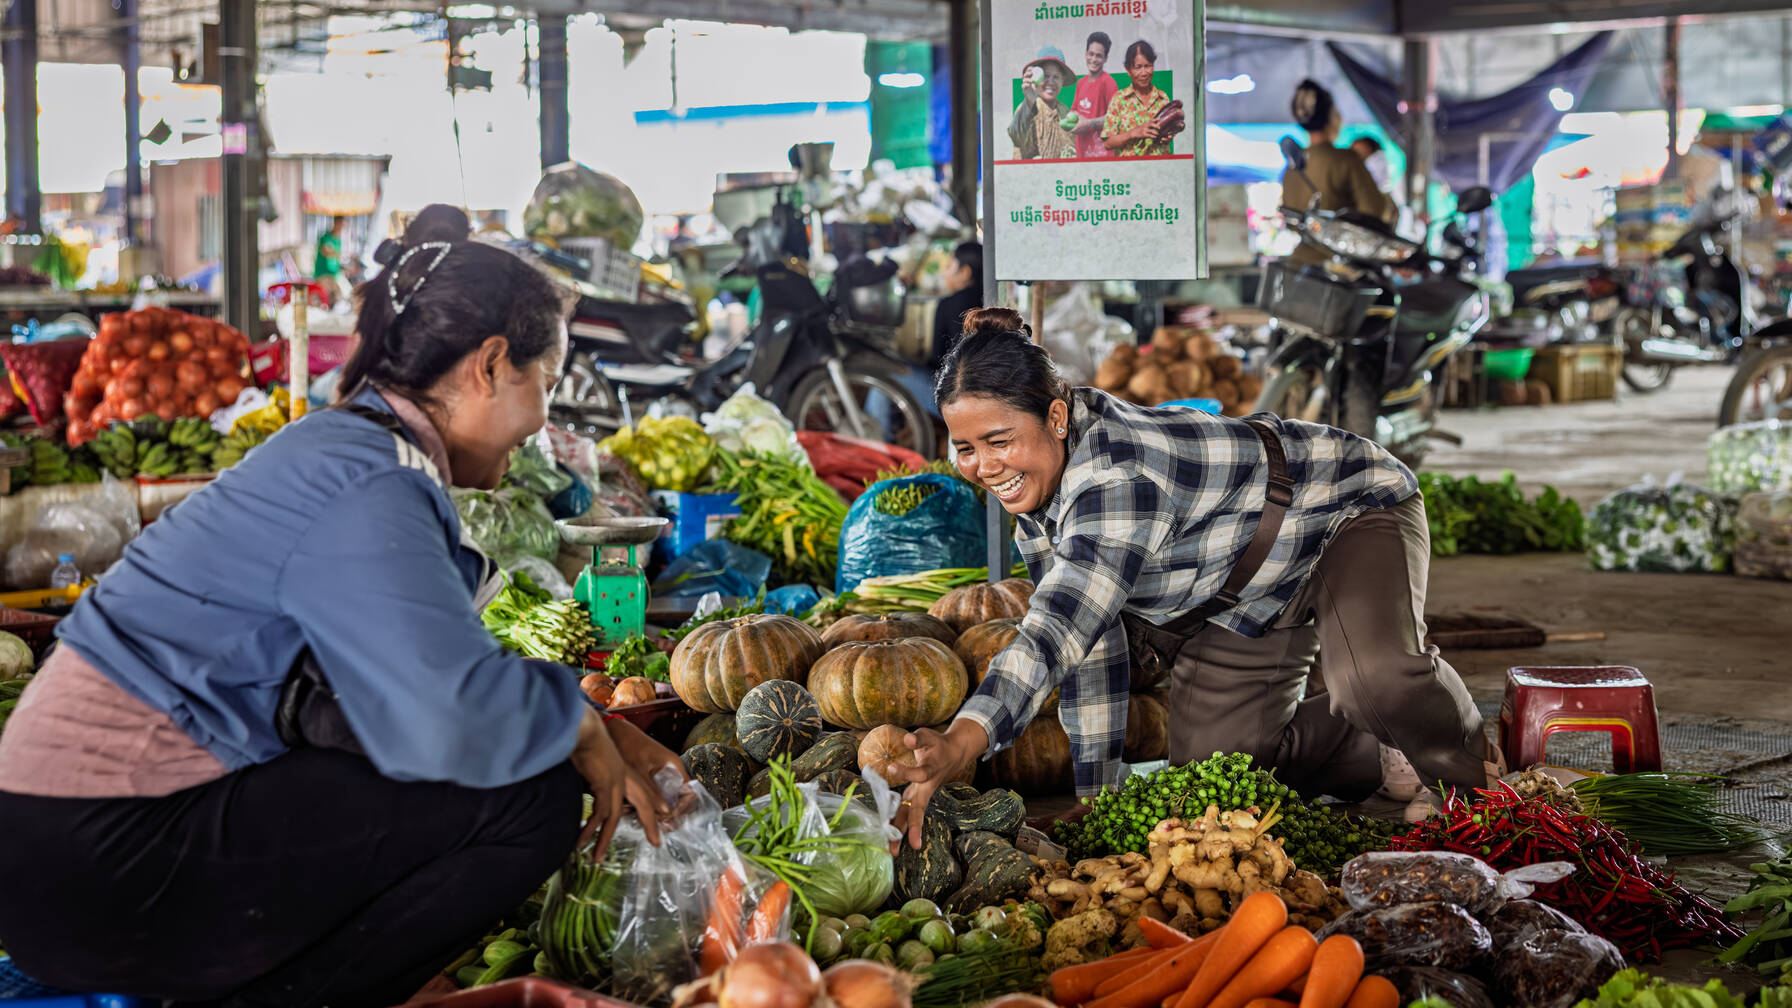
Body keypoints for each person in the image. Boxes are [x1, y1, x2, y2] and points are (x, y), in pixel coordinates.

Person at [0, 221, 684, 1006]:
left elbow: (364, 703)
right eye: (547, 382)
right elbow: (442, 717)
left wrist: (573, 718)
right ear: (492, 365)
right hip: (100, 859)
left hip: (64, 852)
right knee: (529, 798)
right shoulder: (370, 480)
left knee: (512, 761)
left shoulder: (342, 450)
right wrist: (574, 720)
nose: (542, 422)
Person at [893, 309, 1503, 848]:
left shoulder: (1116, 480)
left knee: (1374, 677)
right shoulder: (1042, 491)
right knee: (1215, 784)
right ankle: (1388, 742)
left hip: (1343, 511)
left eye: (998, 441)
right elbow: (1088, 644)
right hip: (1240, 590)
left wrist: (960, 743)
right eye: (965, 448)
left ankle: (1471, 760)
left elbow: (1051, 636)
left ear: (1056, 417)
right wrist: (1101, 796)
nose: (984, 466)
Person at [1282, 80, 1396, 265]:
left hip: (1297, 263)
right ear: (1332, 117)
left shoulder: (1291, 168)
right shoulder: (1346, 160)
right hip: (1339, 270)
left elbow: (1289, 220)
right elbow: (1374, 212)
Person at [1102, 40, 1173, 158]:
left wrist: (1166, 136)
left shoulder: (1163, 98)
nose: (1144, 73)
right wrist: (1134, 133)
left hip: (1159, 170)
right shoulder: (1119, 100)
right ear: (1128, 70)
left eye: (1148, 66)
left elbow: (1167, 133)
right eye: (1138, 67)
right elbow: (1108, 143)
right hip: (1129, 171)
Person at [1006, 47, 1078, 160]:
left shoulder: (1065, 111)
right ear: (1036, 78)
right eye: (1046, 76)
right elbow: (1016, 135)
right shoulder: (1029, 107)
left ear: (1062, 80)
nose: (1051, 82)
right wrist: (1029, 101)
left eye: (1056, 77)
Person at [931, 240, 983, 371]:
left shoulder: (947, 304)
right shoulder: (992, 302)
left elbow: (937, 357)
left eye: (949, 266)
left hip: (956, 384)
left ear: (965, 272)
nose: (944, 273)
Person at [1069, 32, 1118, 160]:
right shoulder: (1081, 83)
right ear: (1086, 54)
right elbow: (1073, 110)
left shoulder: (1108, 83)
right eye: (1091, 54)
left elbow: (1115, 118)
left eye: (1099, 56)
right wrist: (1074, 118)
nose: (1093, 59)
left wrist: (1090, 123)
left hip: (1101, 154)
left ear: (1106, 58)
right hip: (1081, 152)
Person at [314, 214, 347, 300]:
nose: (342, 228)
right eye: (341, 224)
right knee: (325, 298)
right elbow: (326, 251)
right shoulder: (326, 237)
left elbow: (337, 258)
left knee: (338, 297)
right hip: (323, 274)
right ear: (336, 223)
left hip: (334, 275)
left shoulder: (338, 240)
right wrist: (342, 254)